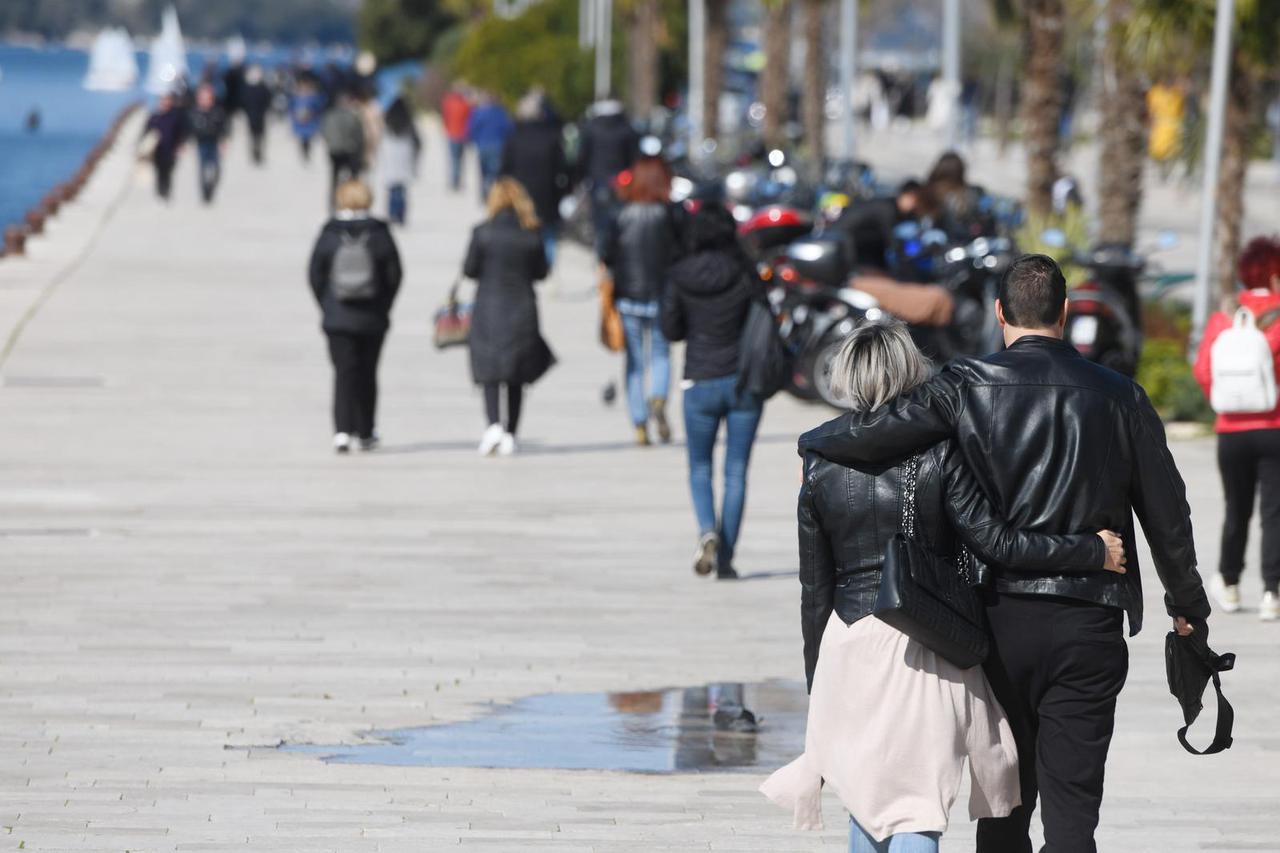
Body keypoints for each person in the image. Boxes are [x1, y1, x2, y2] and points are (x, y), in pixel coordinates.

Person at [797, 254, 1211, 851]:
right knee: (1073, 814)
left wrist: (812, 443)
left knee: (1004, 810)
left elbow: (878, 430)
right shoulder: (1123, 397)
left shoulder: (965, 385)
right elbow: (1170, 518)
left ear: (999, 314)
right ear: (1065, 313)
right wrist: (1188, 606)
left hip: (995, 621)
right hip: (1089, 623)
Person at [763, 321, 1127, 851]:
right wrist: (1090, 549)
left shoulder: (820, 464)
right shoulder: (939, 453)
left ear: (846, 378)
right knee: (915, 807)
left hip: (846, 643)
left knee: (866, 806)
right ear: (911, 371)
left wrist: (819, 680)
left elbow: (813, 589)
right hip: (920, 641)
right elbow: (996, 542)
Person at [662, 204, 761, 580]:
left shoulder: (680, 274)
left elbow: (670, 329)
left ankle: (707, 530)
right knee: (736, 471)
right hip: (743, 381)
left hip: (699, 380)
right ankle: (727, 558)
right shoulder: (744, 273)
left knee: (700, 467)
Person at [1193, 236, 1280, 621]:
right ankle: (1271, 592)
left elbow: (1203, 370)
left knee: (1236, 508)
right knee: (1274, 512)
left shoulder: (1224, 317)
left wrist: (1224, 399)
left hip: (1231, 429)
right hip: (1275, 426)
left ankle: (1229, 583)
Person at [307, 180, 402, 454]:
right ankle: (366, 430)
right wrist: (384, 304)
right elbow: (395, 274)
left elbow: (314, 273)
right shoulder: (380, 233)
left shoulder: (329, 232)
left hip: (337, 317)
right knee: (368, 373)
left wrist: (326, 304)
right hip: (372, 316)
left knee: (343, 373)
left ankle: (341, 432)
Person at [463, 178, 554, 457]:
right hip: (522, 306)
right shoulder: (532, 233)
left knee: (490, 369)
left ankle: (492, 425)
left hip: (489, 305)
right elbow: (541, 272)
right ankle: (511, 432)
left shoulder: (482, 233)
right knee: (516, 372)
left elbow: (470, 269)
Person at [602, 156, 682, 446]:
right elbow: (682, 251)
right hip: (663, 295)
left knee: (635, 362)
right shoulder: (670, 214)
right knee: (661, 354)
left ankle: (639, 423)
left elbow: (606, 254)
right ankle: (658, 398)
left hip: (628, 297)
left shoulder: (620, 215)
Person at [501, 92, 570, 267]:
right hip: (547, 193)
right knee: (547, 233)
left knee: (521, 231)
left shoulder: (514, 138)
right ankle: (546, 268)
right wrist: (562, 192)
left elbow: (504, 170)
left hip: (520, 195)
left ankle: (524, 266)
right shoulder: (552, 138)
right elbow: (563, 169)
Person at [578, 98, 640, 258]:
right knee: (620, 225)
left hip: (598, 181)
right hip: (621, 183)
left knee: (600, 227)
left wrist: (582, 178)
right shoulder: (627, 129)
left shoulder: (591, 129)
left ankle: (601, 263)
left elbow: (583, 157)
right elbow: (635, 158)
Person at [379, 96, 421, 226]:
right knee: (402, 189)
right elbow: (418, 142)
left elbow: (381, 140)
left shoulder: (387, 122)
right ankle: (401, 215)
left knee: (392, 188)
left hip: (390, 157)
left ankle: (392, 214)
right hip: (405, 156)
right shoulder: (408, 123)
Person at [321, 91, 367, 210]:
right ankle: (353, 201)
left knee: (334, 179)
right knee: (352, 178)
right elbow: (359, 135)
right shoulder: (353, 115)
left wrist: (330, 144)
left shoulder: (329, 115)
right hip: (350, 150)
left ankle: (333, 203)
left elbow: (325, 132)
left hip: (334, 150)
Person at [141, 92, 188, 201]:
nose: (165, 103)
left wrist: (181, 145)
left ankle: (166, 192)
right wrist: (143, 146)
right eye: (163, 101)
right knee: (159, 171)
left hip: (171, 150)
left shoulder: (175, 118)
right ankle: (160, 192)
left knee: (168, 172)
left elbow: (181, 133)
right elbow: (146, 132)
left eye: (168, 101)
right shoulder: (154, 117)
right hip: (157, 150)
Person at [466, 93, 512, 201]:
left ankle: (485, 195)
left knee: (484, 172)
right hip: (498, 146)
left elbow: (472, 128)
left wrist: (475, 141)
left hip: (482, 146)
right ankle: (492, 195)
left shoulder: (478, 112)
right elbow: (509, 130)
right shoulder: (502, 113)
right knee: (495, 174)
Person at [187, 84, 228, 204]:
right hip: (201, 143)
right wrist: (186, 143)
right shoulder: (194, 112)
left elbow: (223, 128)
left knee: (216, 169)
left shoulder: (217, 111)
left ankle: (211, 187)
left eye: (207, 98)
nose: (205, 101)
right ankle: (204, 192)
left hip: (214, 143)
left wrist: (224, 141)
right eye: (202, 98)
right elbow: (189, 129)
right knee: (203, 168)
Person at [441, 85, 472, 192]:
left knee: (453, 159)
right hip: (463, 135)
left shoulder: (448, 103)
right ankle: (458, 181)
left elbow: (445, 118)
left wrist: (446, 128)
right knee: (460, 159)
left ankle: (454, 181)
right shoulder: (465, 104)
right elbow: (470, 119)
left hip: (452, 134)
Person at [289, 72, 325, 161]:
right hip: (300, 121)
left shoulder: (314, 96)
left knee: (308, 139)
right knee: (302, 139)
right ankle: (304, 153)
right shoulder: (296, 96)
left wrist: (311, 113)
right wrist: (295, 115)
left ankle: (307, 153)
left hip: (310, 121)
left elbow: (319, 106)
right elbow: (291, 107)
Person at [240, 65, 271, 166]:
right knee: (253, 136)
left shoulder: (263, 87)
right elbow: (243, 102)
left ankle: (259, 154)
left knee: (260, 137)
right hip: (251, 116)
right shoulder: (247, 88)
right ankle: (254, 154)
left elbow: (268, 100)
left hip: (261, 116)